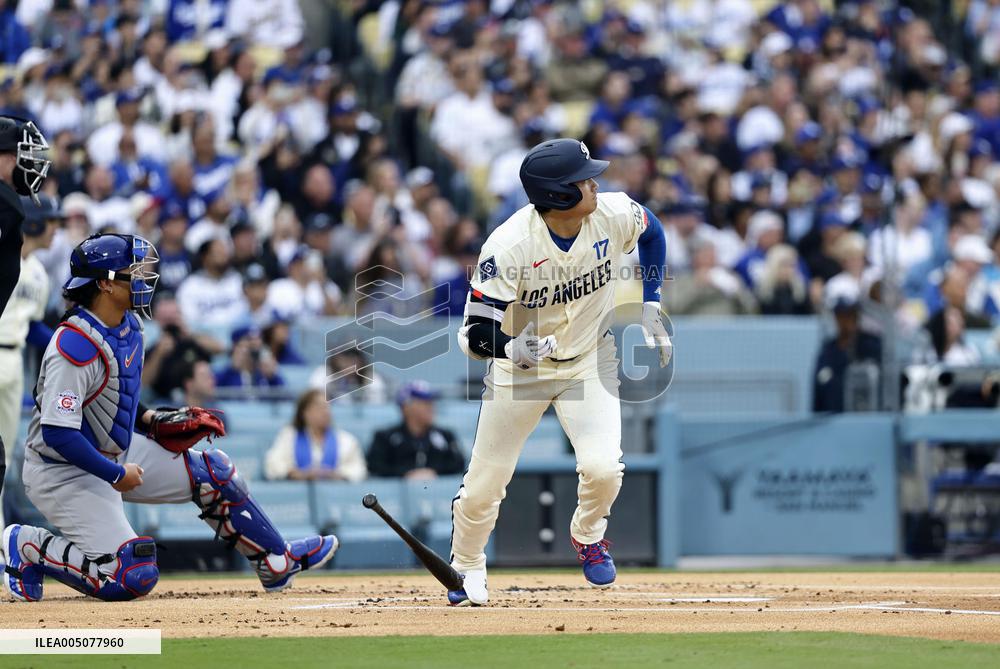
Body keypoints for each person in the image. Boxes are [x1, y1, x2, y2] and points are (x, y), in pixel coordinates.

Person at [0, 233, 337, 603]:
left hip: (114, 454)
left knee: (214, 473)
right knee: (132, 576)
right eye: (133, 270)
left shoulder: (130, 327)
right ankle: (28, 545)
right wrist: (116, 475)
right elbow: (58, 433)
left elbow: (113, 398)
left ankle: (274, 561)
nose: (144, 277)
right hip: (61, 471)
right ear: (105, 284)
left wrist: (151, 421)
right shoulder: (74, 345)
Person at [448, 139, 671, 605]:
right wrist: (513, 347)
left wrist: (651, 300)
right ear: (558, 195)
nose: (595, 183)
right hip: (520, 371)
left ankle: (588, 536)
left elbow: (653, 233)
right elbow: (472, 335)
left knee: (604, 468)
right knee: (485, 484)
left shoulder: (612, 212)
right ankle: (467, 564)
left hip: (589, 360)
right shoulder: (509, 245)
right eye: (583, 179)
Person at [0, 115, 49, 504]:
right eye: (19, 155)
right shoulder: (9, 208)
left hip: (12, 355)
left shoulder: (39, 271)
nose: (25, 164)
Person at [367, 381, 465, 479]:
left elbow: (458, 465)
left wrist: (434, 473)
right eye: (425, 403)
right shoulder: (385, 438)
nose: (431, 407)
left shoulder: (446, 436)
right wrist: (405, 475)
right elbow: (375, 467)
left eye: (431, 403)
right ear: (406, 407)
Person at [264, 389, 366, 482]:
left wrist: (335, 474)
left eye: (327, 407)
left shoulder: (346, 440)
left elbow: (359, 470)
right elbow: (272, 465)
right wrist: (296, 473)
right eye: (319, 407)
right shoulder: (289, 436)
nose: (325, 412)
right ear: (304, 412)